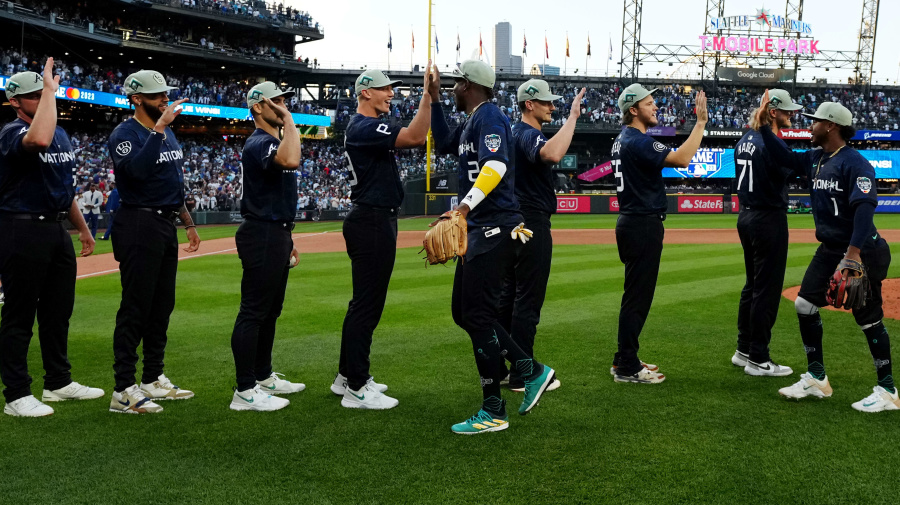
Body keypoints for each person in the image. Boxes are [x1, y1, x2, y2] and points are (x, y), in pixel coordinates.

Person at [432, 60, 556, 434]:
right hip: (482, 228)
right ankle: (530, 370)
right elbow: (443, 145)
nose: (454, 87)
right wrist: (434, 98)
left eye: (456, 83)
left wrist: (464, 207)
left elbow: (496, 166)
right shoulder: (473, 120)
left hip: (493, 227)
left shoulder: (491, 118)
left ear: (470, 85)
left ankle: (495, 407)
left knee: (476, 315)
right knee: (464, 313)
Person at [754, 94, 897, 412]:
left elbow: (864, 210)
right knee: (805, 304)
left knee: (868, 318)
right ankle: (817, 378)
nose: (811, 125)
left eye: (815, 121)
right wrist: (764, 125)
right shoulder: (817, 157)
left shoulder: (855, 163)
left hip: (862, 250)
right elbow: (786, 158)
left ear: (831, 125)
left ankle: (888, 390)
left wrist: (853, 255)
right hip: (830, 247)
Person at [330, 64, 439, 410]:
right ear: (366, 92)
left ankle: (347, 376)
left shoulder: (364, 126)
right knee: (366, 306)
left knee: (363, 304)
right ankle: (357, 388)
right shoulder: (363, 125)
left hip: (374, 219)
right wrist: (427, 96)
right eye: (385, 89)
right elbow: (416, 138)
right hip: (371, 221)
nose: (391, 94)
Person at [0, 61, 104, 417]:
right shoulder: (11, 131)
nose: (41, 99)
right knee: (19, 315)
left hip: (56, 228)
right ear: (15, 101)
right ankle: (16, 394)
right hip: (21, 227)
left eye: (41, 94)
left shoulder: (61, 133)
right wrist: (49, 91)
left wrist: (84, 229)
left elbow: (65, 189)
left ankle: (58, 382)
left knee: (58, 312)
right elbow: (38, 138)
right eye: (32, 96)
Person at [107, 70, 201, 414]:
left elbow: (171, 182)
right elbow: (136, 173)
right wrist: (159, 128)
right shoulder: (125, 133)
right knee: (136, 306)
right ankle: (122, 389)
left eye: (164, 93)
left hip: (164, 223)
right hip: (138, 223)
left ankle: (152, 378)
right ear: (136, 99)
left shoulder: (168, 132)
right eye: (155, 94)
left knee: (162, 305)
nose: (164, 99)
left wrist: (187, 222)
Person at [610, 83, 707, 384]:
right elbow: (681, 160)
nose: (655, 107)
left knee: (634, 296)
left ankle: (625, 358)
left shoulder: (622, 139)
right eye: (649, 103)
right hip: (642, 223)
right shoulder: (636, 139)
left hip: (632, 220)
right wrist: (701, 122)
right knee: (637, 299)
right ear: (634, 109)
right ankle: (627, 365)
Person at [496, 79, 582, 392]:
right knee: (527, 300)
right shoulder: (526, 133)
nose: (553, 107)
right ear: (529, 104)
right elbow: (551, 155)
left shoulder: (512, 133)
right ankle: (523, 373)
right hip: (531, 221)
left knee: (509, 298)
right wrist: (572, 117)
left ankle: (506, 367)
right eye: (546, 102)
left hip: (515, 221)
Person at [229, 82, 303, 412]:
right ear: (258, 107)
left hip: (275, 232)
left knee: (270, 311)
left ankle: (262, 376)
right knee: (254, 312)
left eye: (285, 100)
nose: (283, 104)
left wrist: (289, 238)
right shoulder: (259, 142)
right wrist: (289, 121)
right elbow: (291, 160)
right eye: (276, 101)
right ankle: (245, 390)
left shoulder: (270, 141)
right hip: (261, 232)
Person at [731, 89, 802, 377]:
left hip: (746, 216)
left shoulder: (744, 139)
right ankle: (758, 358)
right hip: (768, 218)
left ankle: (744, 349)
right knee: (767, 289)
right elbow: (791, 169)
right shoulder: (770, 145)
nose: (791, 115)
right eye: (786, 111)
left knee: (752, 285)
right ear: (772, 112)